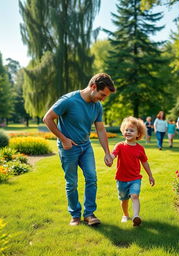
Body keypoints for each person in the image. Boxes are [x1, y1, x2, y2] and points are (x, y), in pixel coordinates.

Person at [43, 73, 115, 226]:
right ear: (93, 86)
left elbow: (101, 130)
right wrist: (63, 139)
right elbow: (47, 118)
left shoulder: (97, 106)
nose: (103, 99)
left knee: (92, 178)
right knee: (72, 182)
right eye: (102, 95)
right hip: (69, 148)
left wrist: (107, 153)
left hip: (85, 146)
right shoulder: (69, 100)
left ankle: (89, 214)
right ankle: (75, 215)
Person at [110, 116, 155, 227]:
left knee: (134, 196)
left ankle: (136, 216)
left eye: (131, 130)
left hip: (135, 178)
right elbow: (113, 155)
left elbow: (145, 163)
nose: (128, 132)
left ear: (138, 134)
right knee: (124, 199)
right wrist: (109, 158)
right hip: (121, 178)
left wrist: (150, 175)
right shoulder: (120, 146)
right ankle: (125, 215)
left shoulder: (140, 149)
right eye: (126, 130)